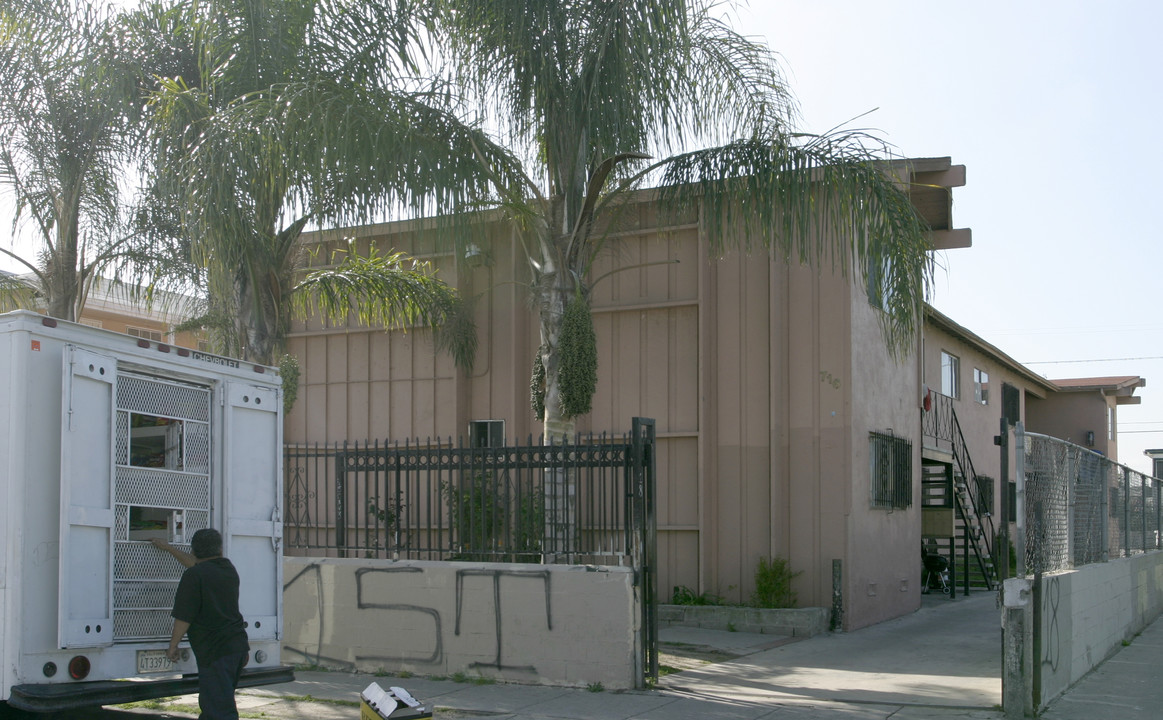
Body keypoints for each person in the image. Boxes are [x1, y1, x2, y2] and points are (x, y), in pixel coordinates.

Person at [152, 529, 250, 720]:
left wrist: (173, 645)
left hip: (215, 651)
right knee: (221, 702)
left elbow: (184, 617)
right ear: (220, 549)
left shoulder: (194, 577)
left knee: (218, 710)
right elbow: (199, 566)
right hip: (236, 647)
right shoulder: (228, 569)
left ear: (194, 550)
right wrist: (170, 549)